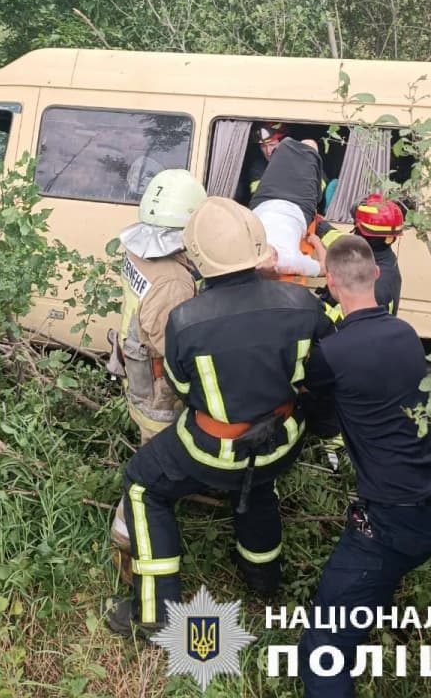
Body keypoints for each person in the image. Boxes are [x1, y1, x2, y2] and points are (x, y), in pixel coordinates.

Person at [105, 197, 334, 637]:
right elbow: (319, 374)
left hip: (211, 447)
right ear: (257, 246)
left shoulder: (188, 320)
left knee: (142, 483)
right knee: (260, 483)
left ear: (197, 255)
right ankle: (264, 578)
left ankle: (154, 613)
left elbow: (183, 386)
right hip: (279, 442)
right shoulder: (304, 305)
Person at [299, 236, 431, 697]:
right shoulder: (405, 333)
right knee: (370, 589)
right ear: (377, 275)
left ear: (330, 282)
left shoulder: (334, 353)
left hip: (391, 519)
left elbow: (306, 392)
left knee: (322, 644)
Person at [107, 169, 207, 570]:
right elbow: (176, 349)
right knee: (151, 471)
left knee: (149, 453)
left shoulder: (137, 253)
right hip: (158, 388)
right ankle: (127, 541)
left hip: (136, 373)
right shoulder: (173, 283)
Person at [250, 136, 327, 279]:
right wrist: (317, 243)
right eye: (272, 258)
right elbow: (324, 268)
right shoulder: (291, 262)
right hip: (298, 205)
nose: (271, 252)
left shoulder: (247, 257)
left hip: (264, 200)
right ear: (276, 266)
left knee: (285, 145)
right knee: (309, 145)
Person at [316, 193, 404, 317]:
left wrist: (315, 307)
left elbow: (341, 321)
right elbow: (341, 241)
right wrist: (319, 226)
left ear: (359, 232)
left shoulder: (373, 286)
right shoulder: (378, 254)